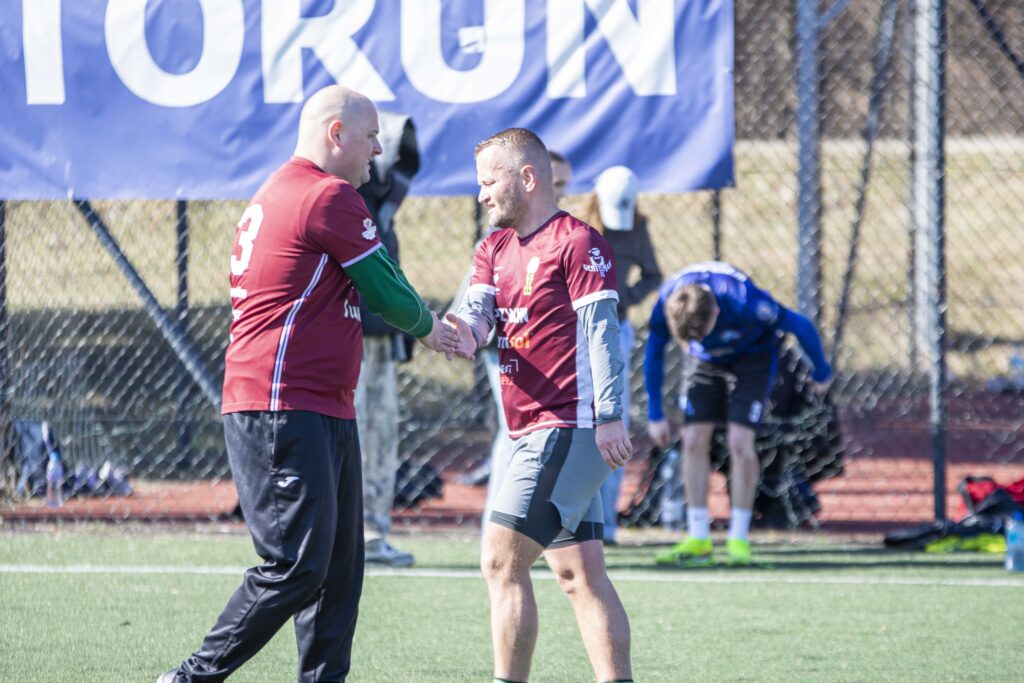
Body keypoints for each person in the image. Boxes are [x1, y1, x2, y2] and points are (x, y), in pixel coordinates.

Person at [157, 85, 457, 683]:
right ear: (335, 134)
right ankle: (190, 677)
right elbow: (385, 288)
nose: (378, 151)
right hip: (281, 403)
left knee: (340, 573)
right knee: (296, 565)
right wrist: (435, 331)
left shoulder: (283, 189)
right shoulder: (327, 195)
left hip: (319, 403)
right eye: (371, 137)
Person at [447, 128, 634, 683]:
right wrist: (461, 333)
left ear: (527, 178)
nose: (481, 193)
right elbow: (479, 316)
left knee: (500, 560)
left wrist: (609, 416)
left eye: (489, 181)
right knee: (579, 574)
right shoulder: (492, 247)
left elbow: (602, 334)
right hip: (536, 430)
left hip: (569, 426)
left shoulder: (577, 242)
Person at [644, 262, 832, 567]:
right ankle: (698, 537)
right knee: (693, 439)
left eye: (702, 334)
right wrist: (655, 413)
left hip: (752, 356)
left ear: (716, 312)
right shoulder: (668, 302)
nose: (698, 338)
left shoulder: (746, 302)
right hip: (704, 363)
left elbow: (800, 326)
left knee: (740, 442)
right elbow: (654, 350)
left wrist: (821, 372)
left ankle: (738, 538)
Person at [457, 150, 573, 520]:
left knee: (556, 436)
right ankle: (500, 522)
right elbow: (475, 304)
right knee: (516, 432)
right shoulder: (498, 239)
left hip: (548, 353)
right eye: (555, 183)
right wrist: (465, 330)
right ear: (530, 181)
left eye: (564, 185)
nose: (559, 191)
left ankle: (545, 523)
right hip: (506, 349)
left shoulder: (569, 236)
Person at [579, 166, 662, 545]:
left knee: (614, 421)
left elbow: (652, 275)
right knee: (577, 421)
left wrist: (622, 298)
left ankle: (606, 524)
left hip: (617, 331)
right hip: (577, 332)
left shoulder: (638, 228)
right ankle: (571, 519)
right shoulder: (578, 228)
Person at [355, 111, 421, 568]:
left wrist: (402, 330)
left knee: (383, 434)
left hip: (381, 340)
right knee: (356, 435)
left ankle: (375, 531)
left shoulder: (384, 211)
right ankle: (354, 534)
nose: (390, 161)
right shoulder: (348, 200)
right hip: (350, 339)